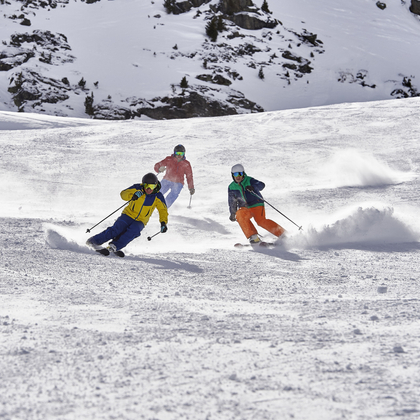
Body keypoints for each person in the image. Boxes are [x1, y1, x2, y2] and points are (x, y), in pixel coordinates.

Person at [86, 173, 168, 257]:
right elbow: (123, 195)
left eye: (152, 186)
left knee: (134, 231)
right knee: (117, 229)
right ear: (143, 184)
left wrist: (163, 223)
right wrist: (133, 195)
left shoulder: (158, 197)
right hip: (128, 215)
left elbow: (163, 210)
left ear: (155, 186)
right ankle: (93, 241)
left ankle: (114, 246)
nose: (148, 189)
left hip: (141, 221)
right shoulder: (137, 188)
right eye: (146, 185)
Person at [228, 164, 285, 244]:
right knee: (239, 215)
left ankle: (282, 234)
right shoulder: (231, 187)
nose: (238, 176)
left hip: (256, 204)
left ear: (243, 173)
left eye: (240, 173)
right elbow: (232, 202)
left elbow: (261, 185)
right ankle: (253, 237)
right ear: (232, 175)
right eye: (235, 174)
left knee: (260, 221)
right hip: (245, 208)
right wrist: (233, 213)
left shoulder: (249, 180)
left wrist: (253, 187)